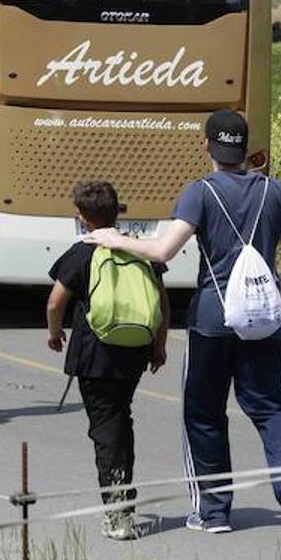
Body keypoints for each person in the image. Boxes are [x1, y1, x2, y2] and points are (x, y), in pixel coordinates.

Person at [85, 109, 281, 545]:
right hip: (262, 322)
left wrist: (114, 239)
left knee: (205, 414)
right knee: (270, 408)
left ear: (206, 146)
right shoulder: (275, 192)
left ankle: (213, 512)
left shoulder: (200, 192)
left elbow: (161, 251)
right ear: (247, 149)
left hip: (212, 319)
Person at [47, 180, 168, 541]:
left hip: (95, 354)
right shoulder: (136, 248)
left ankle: (118, 512)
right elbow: (162, 303)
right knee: (120, 421)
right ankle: (123, 500)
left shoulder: (81, 252)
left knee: (106, 430)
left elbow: (56, 302)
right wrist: (159, 345)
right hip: (134, 350)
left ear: (83, 218)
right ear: (118, 211)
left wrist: (54, 333)